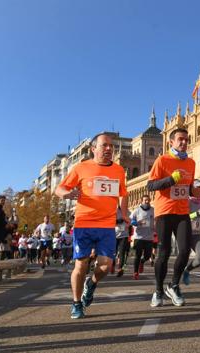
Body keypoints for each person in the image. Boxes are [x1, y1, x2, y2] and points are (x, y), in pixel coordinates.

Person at [55, 133, 129, 319]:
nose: (109, 149)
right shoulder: (81, 168)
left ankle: (92, 283)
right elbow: (59, 188)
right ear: (93, 149)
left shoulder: (119, 170)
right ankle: (76, 303)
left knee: (106, 266)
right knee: (81, 265)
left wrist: (125, 214)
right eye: (104, 145)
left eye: (111, 146)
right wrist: (66, 194)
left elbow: (123, 194)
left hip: (106, 225)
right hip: (84, 224)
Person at [147, 127, 195, 307]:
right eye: (180, 139)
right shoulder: (162, 160)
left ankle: (173, 285)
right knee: (164, 253)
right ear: (171, 142)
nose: (184, 142)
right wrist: (170, 180)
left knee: (184, 251)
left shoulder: (191, 163)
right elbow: (150, 185)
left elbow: (189, 188)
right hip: (164, 212)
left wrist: (195, 189)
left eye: (186, 140)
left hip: (183, 212)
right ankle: (158, 291)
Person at [182, 179, 200, 285]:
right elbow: (184, 217)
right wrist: (196, 214)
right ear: (192, 189)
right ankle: (173, 283)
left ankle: (187, 270)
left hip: (197, 233)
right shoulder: (186, 199)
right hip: (185, 232)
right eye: (198, 187)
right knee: (183, 257)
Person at [130, 195, 155, 280]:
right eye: (145, 200)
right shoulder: (136, 210)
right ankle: (135, 272)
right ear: (141, 201)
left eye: (148, 200)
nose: (147, 202)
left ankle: (142, 261)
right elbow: (131, 220)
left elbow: (157, 219)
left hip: (149, 237)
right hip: (139, 237)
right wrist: (136, 223)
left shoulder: (153, 210)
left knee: (148, 255)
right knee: (138, 255)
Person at [113, 208, 130, 277]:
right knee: (114, 252)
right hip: (114, 235)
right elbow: (109, 221)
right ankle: (113, 264)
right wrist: (117, 221)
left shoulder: (128, 212)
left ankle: (120, 269)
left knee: (122, 253)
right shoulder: (113, 211)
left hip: (124, 236)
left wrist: (126, 221)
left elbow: (131, 222)